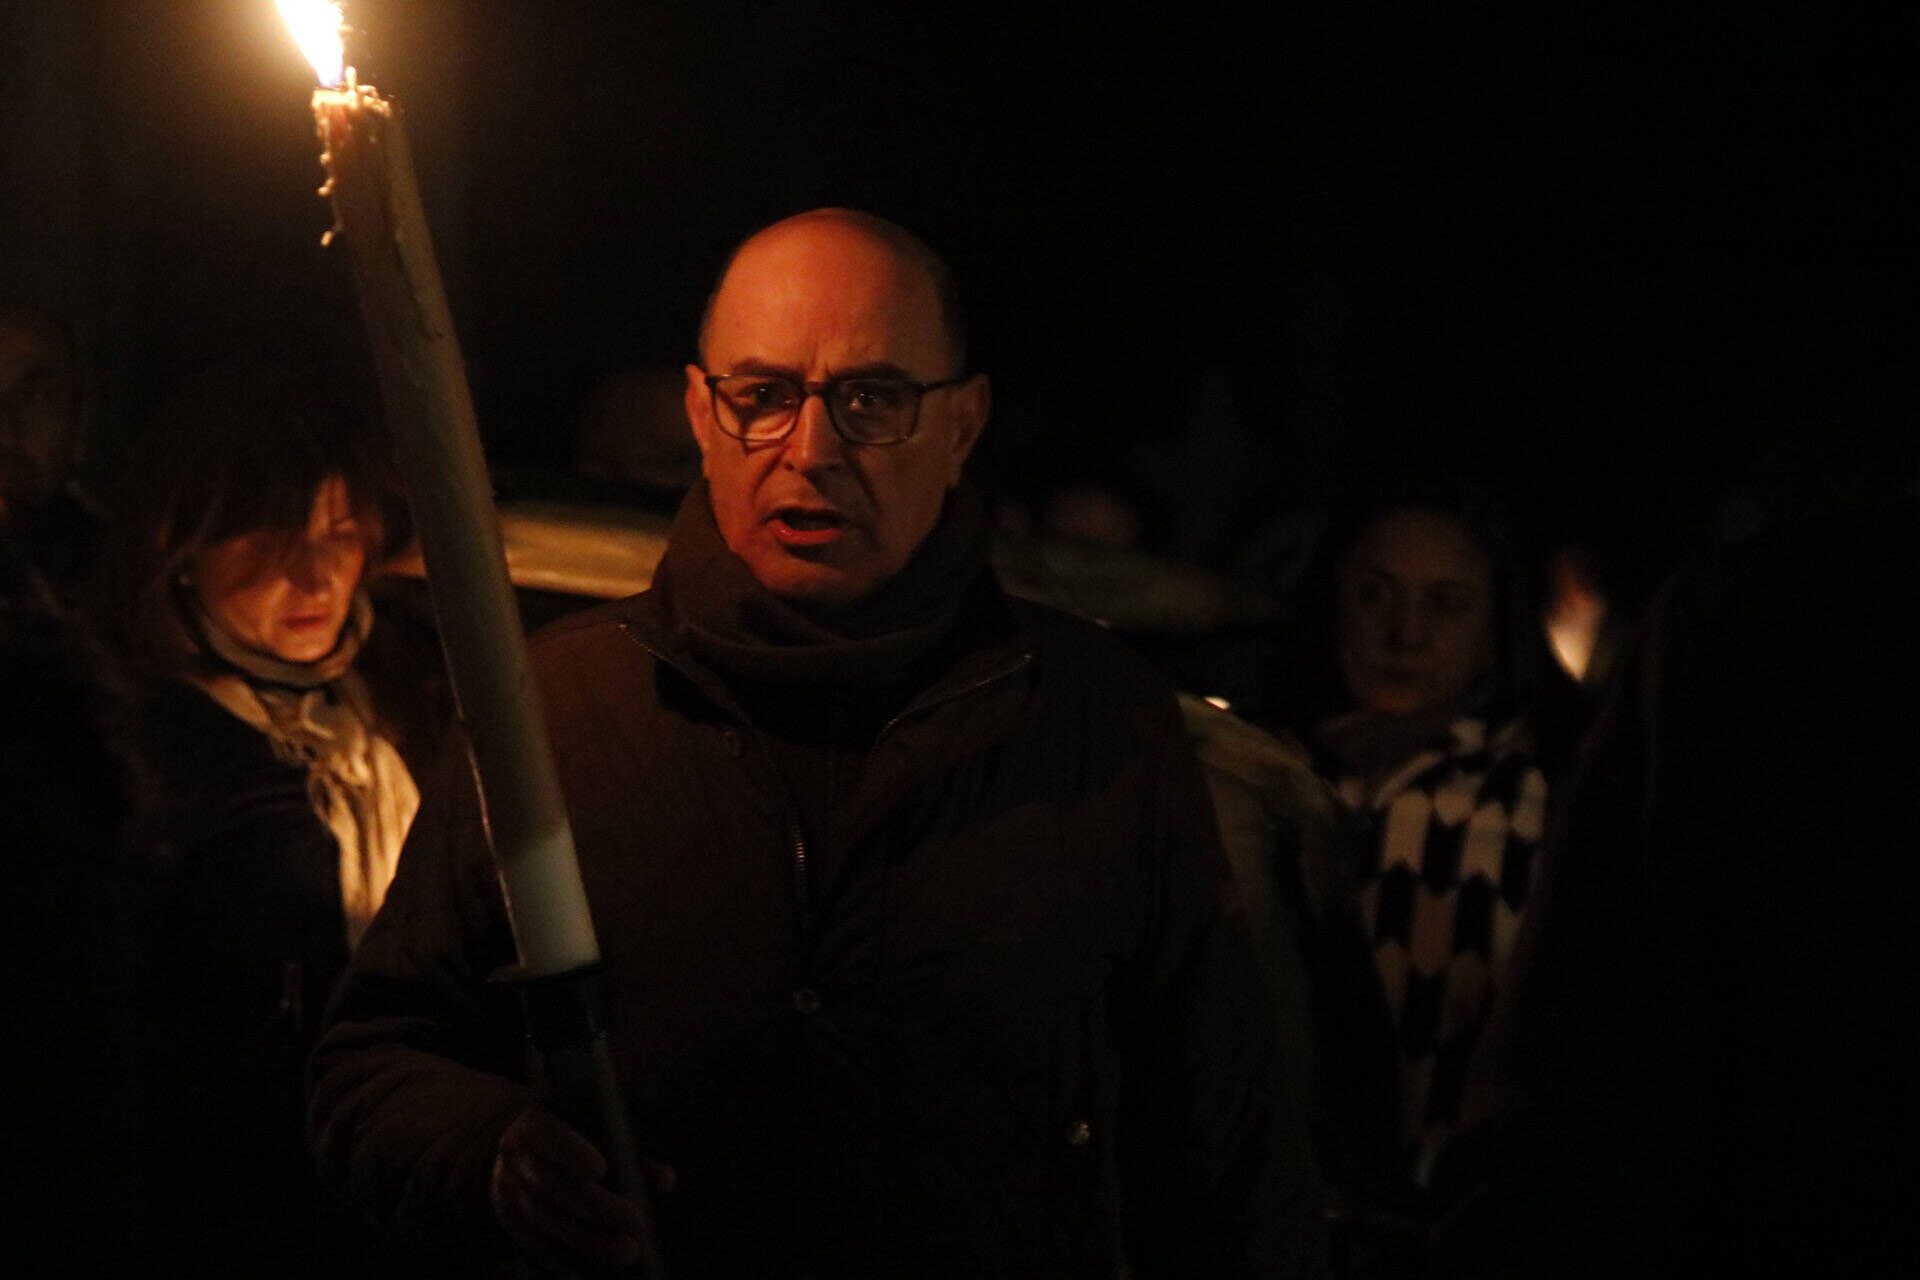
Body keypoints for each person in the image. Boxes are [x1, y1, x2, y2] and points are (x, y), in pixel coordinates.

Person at [311, 209, 1326, 1277]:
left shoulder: (1094, 721)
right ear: (702, 413)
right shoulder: (554, 710)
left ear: (963, 425)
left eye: (872, 398)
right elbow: (376, 1059)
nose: (811, 450)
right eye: (762, 397)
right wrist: (495, 1149)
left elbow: (1227, 1147)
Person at [1430, 496, 1920, 1277]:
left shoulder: (1760, 619)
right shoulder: (1758, 614)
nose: (1406, 633)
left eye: (1447, 603)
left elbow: (1579, 1041)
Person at [92, 364, 420, 1265]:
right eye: (271, 539)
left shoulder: (394, 714)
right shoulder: (144, 762)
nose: (315, 574)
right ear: (181, 552)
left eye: (341, 534)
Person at [1268, 481, 1578, 1271]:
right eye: (1376, 596)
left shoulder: (1531, 804)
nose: (1404, 632)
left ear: (1493, 632)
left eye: (1446, 605)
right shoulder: (1271, 776)